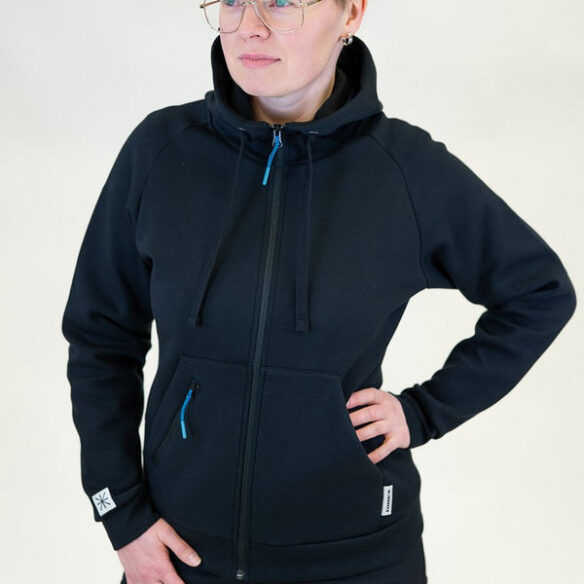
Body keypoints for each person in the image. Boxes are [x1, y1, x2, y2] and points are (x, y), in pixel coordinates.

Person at [61, 1, 577, 583]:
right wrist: (121, 514)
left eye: (283, 1)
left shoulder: (405, 170)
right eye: (233, 0)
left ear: (351, 13)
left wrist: (424, 412)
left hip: (358, 561)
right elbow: (101, 337)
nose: (250, 26)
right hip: (183, 561)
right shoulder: (162, 151)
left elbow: (539, 292)